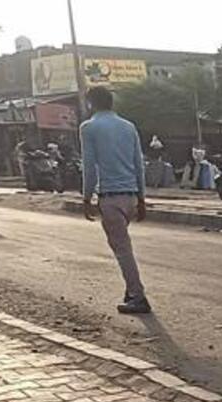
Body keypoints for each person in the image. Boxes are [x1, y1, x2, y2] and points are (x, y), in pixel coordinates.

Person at [80, 85, 149, 314]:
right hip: (130, 196)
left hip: (110, 197)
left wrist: (86, 197)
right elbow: (139, 164)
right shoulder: (128, 127)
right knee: (123, 247)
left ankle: (138, 296)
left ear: (91, 103)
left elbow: (89, 167)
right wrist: (141, 198)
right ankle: (131, 291)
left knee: (122, 250)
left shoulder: (89, 128)